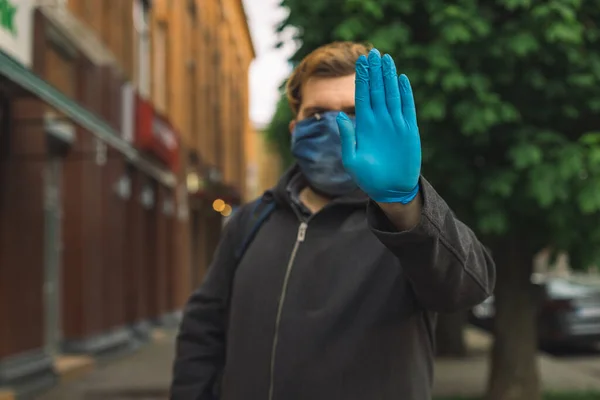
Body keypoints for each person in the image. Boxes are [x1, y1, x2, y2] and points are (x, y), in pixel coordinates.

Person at [171, 41, 495, 400]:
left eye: (352, 112)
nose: (335, 125)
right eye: (317, 114)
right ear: (295, 128)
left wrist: (401, 204)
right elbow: (203, 331)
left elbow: (467, 288)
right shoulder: (251, 221)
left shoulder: (406, 226)